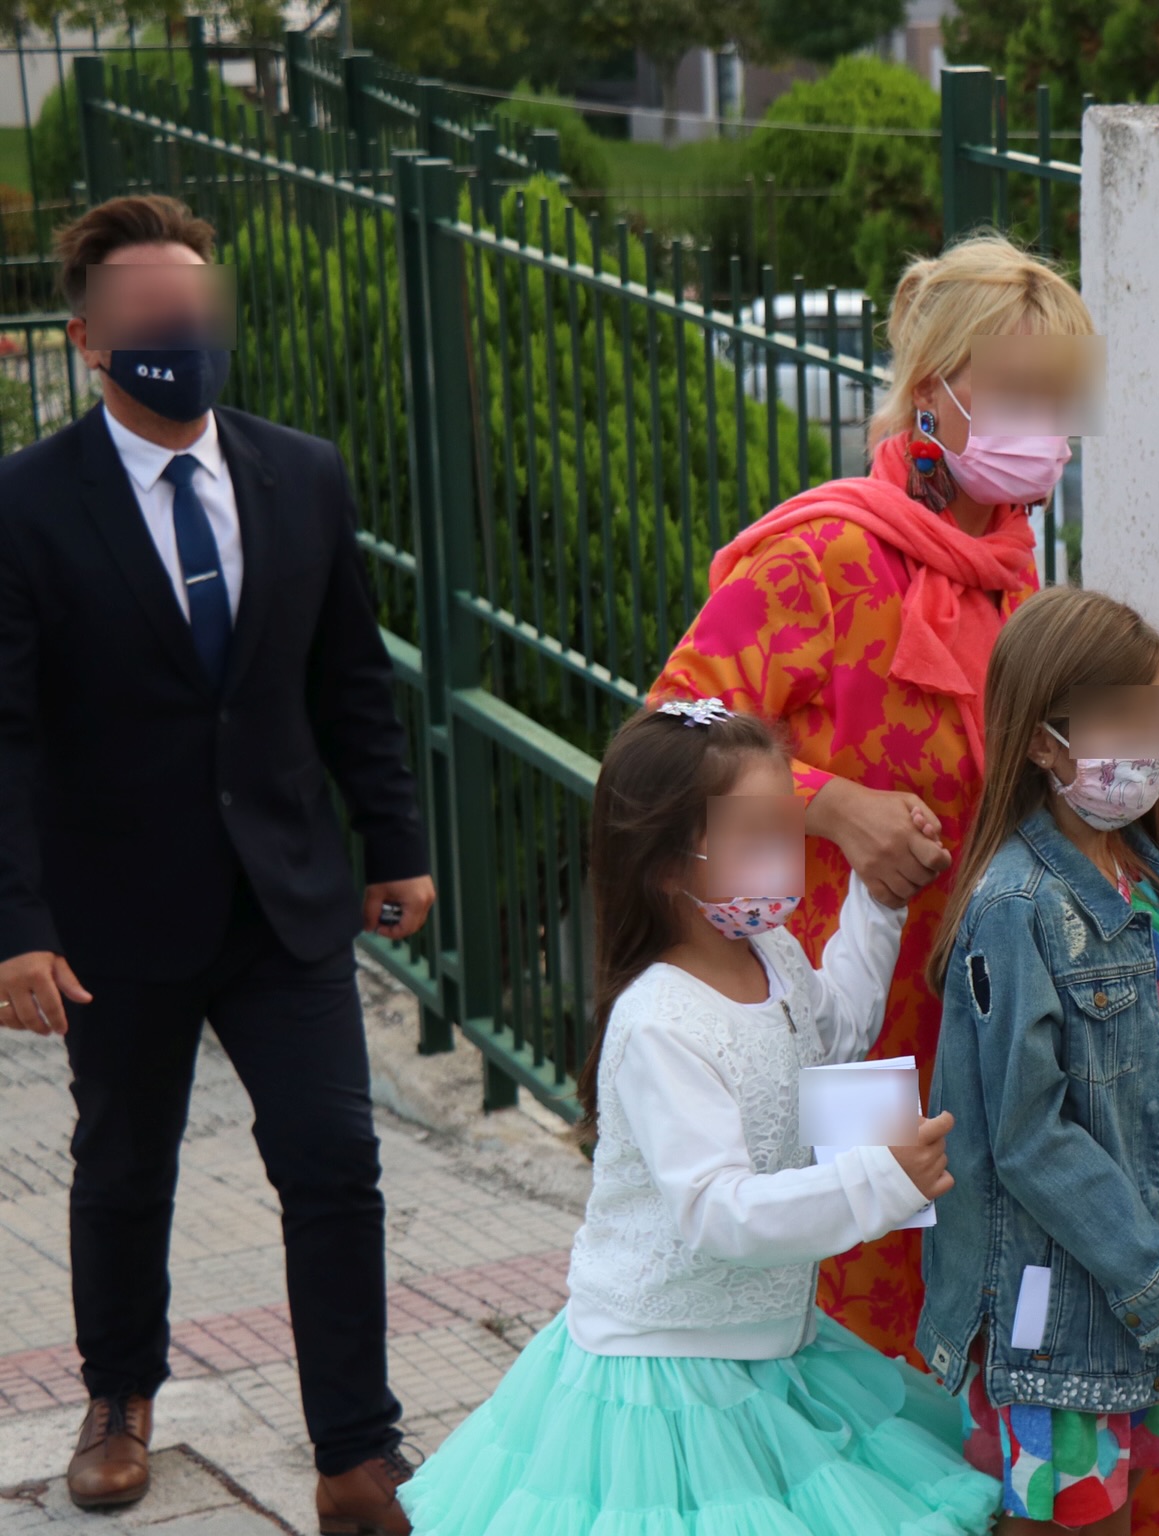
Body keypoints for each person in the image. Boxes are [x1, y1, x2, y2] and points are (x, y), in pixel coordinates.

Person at [653, 233, 1159, 1536]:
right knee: (893, 1371)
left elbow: (1032, 767)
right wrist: (825, 803)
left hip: (1014, 1027)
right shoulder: (817, 557)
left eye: (1061, 402)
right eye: (1019, 397)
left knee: (1030, 1358)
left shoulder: (1011, 567)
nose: (1044, 433)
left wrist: (1151, 725)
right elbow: (668, 734)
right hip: (867, 1038)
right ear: (932, 392)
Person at [0, 195, 435, 1530]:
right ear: (88, 339)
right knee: (128, 1162)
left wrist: (399, 842)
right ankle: (121, 1395)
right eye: (147, 317)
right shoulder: (24, 504)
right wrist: (15, 926)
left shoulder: (302, 473)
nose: (179, 336)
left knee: (330, 1156)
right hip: (112, 914)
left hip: (285, 897)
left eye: (194, 310)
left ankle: (357, 1451)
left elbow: (349, 678)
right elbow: (4, 734)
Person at [400, 700, 999, 1534]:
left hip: (771, 1352)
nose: (786, 857)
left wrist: (877, 900)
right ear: (668, 863)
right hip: (662, 1383)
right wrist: (877, 1180)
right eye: (757, 839)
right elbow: (716, 1210)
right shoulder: (660, 1023)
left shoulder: (772, 954)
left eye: (787, 829)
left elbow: (836, 1033)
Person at [918, 587, 1159, 1536]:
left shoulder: (1137, 871)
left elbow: (1141, 1085)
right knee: (1068, 1520)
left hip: (1127, 1256)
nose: (1149, 741)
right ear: (1045, 744)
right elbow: (1029, 1138)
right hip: (1061, 1290)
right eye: (1120, 718)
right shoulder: (1016, 906)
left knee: (1113, 1512)